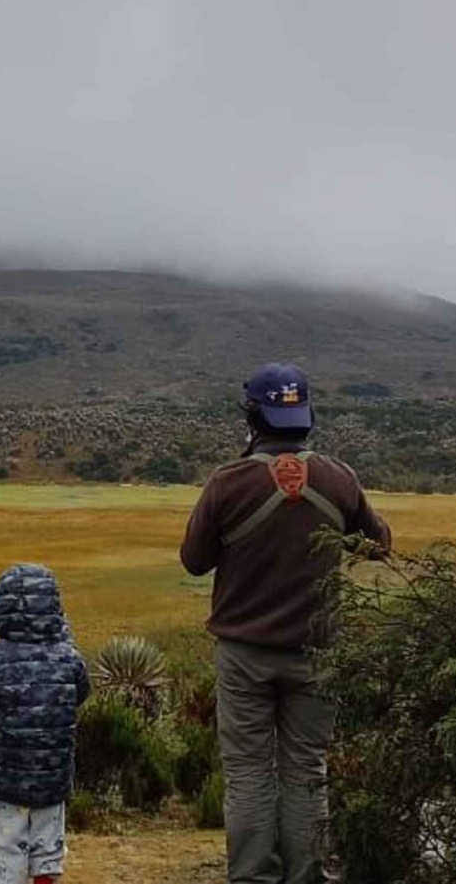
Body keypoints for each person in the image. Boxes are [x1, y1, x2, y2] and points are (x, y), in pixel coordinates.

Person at [180, 363, 391, 884]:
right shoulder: (338, 477)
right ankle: (306, 875)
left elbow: (194, 561)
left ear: (253, 417)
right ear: (306, 416)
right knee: (306, 771)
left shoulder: (228, 483)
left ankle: (253, 876)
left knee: (249, 772)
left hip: (244, 653)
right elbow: (379, 544)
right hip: (318, 652)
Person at [0, 564, 91, 884]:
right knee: (48, 844)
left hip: (5, 781)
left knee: (8, 847)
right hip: (53, 778)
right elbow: (81, 691)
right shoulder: (68, 657)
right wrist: (64, 638)